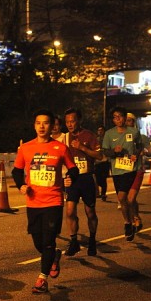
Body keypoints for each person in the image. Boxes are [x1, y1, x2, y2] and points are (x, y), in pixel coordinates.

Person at [12, 109, 79, 293]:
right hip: (33, 202)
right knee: (38, 242)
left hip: (53, 201)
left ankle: (42, 279)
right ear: (34, 126)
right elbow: (16, 171)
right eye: (38, 123)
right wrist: (21, 185)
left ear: (52, 126)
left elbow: (73, 169)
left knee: (49, 240)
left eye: (46, 123)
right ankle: (53, 256)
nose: (41, 126)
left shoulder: (60, 148)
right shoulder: (26, 148)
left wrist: (69, 178)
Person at [62, 108, 102, 256]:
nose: (70, 124)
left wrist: (82, 147)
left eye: (72, 121)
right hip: (72, 179)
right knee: (70, 211)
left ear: (79, 120)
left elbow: (99, 155)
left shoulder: (89, 135)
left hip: (87, 178)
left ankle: (92, 240)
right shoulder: (65, 138)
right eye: (67, 122)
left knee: (90, 212)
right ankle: (73, 241)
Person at [101, 107, 142, 242]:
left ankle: (128, 223)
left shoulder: (134, 132)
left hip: (131, 170)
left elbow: (139, 146)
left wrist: (136, 154)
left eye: (120, 116)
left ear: (125, 117)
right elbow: (105, 152)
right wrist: (114, 151)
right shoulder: (109, 134)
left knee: (123, 197)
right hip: (117, 171)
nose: (117, 119)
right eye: (115, 117)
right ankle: (129, 221)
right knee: (123, 200)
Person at [125, 113, 151, 232]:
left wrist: (144, 152)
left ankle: (135, 218)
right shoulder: (120, 137)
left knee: (131, 198)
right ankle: (133, 217)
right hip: (123, 171)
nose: (127, 123)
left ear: (134, 123)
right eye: (125, 120)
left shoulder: (142, 137)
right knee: (127, 199)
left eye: (129, 121)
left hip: (137, 170)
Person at [94, 126, 110, 202]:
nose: (100, 132)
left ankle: (103, 193)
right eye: (98, 130)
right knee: (97, 179)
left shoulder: (107, 139)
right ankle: (100, 191)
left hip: (105, 161)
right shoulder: (95, 140)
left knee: (103, 178)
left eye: (101, 130)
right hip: (97, 162)